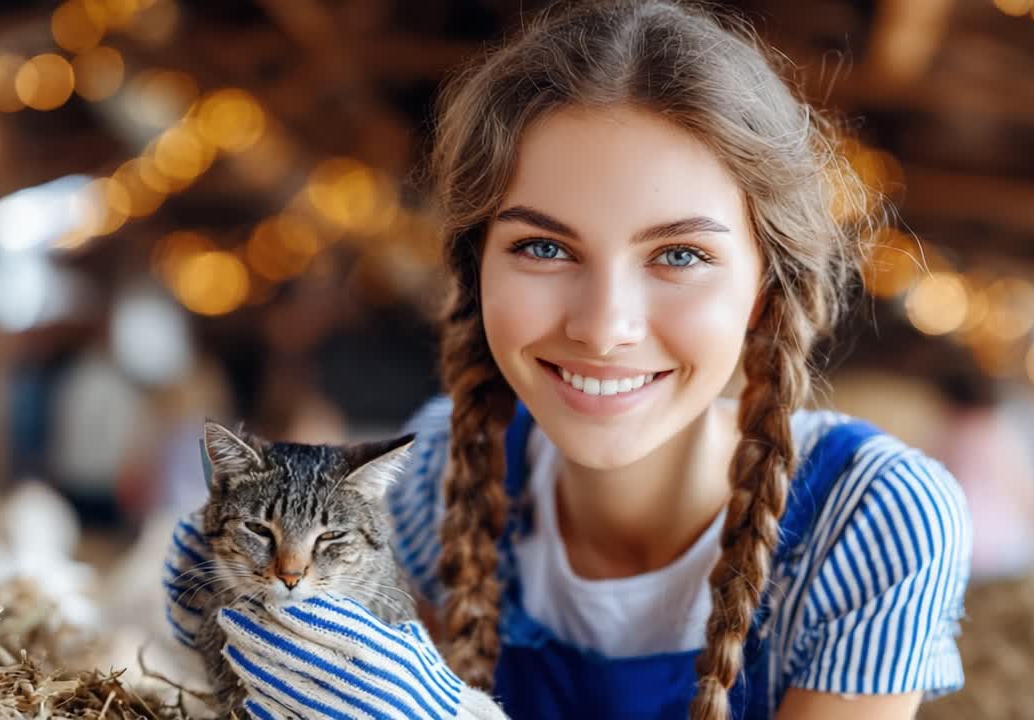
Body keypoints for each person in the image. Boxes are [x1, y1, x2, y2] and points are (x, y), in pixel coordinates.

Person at [163, 2, 971, 718]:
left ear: (769, 285)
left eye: (680, 254)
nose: (604, 326)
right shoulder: (437, 473)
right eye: (544, 246)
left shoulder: (872, 519)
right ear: (476, 269)